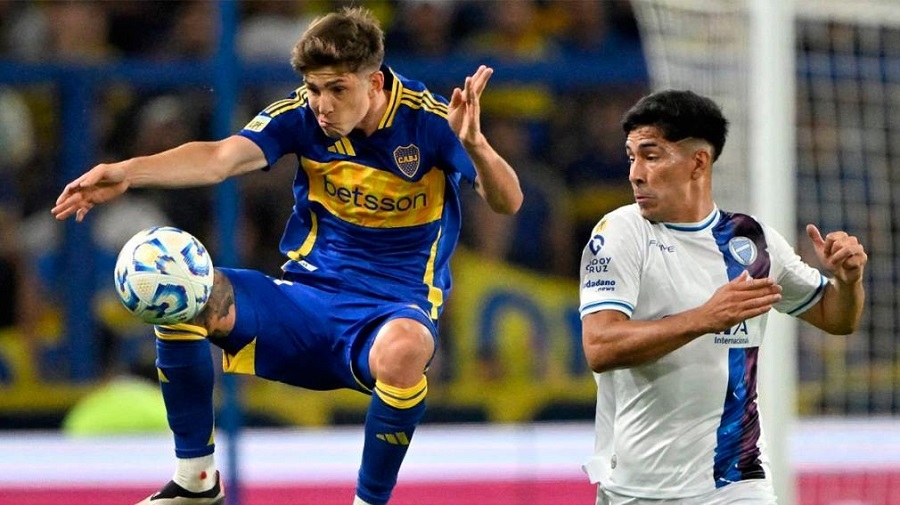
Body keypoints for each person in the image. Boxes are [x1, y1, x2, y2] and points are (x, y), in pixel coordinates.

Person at [52, 6, 523, 505]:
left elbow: (508, 200)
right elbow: (220, 158)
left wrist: (476, 145)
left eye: (337, 89)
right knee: (187, 292)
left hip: (390, 313)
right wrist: (128, 172)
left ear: (375, 82)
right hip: (306, 301)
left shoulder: (429, 121)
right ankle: (195, 481)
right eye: (314, 89)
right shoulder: (300, 116)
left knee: (405, 349)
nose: (322, 105)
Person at [578, 89, 866, 504]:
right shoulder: (620, 232)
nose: (635, 174)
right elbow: (600, 346)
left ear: (698, 162)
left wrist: (848, 280)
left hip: (736, 481)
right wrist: (705, 318)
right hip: (635, 488)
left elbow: (836, 317)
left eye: (651, 156)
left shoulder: (754, 240)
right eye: (631, 157)